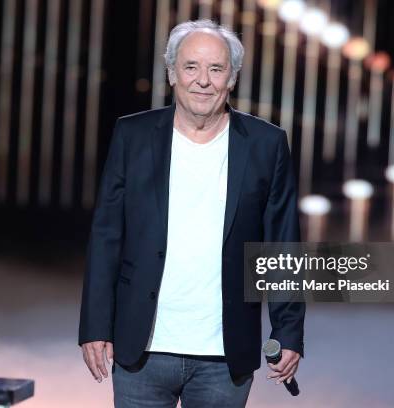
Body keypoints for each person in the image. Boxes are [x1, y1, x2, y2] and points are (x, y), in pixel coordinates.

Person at [78, 19, 304, 407]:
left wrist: (289, 331)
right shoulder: (132, 136)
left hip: (223, 354)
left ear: (231, 79)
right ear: (171, 73)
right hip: (142, 349)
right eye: (191, 67)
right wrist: (95, 324)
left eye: (216, 69)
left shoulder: (267, 145)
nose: (203, 80)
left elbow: (281, 245)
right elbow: (107, 235)